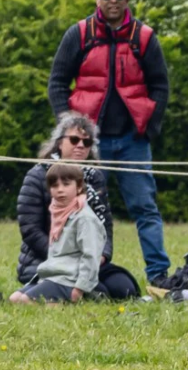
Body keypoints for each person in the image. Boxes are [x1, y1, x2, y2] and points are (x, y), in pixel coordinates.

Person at [47, 0, 171, 283]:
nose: (113, 0)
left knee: (145, 208)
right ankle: (72, 273)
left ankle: (158, 276)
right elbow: (57, 83)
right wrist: (68, 128)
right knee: (78, 207)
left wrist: (149, 127)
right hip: (88, 145)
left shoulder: (144, 37)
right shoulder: (78, 34)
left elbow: (161, 85)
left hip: (133, 141)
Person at [15, 113, 137, 299]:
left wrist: (101, 255)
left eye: (86, 142)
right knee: (100, 292)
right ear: (59, 143)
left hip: (88, 259)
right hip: (47, 261)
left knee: (124, 289)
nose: (80, 145)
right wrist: (66, 256)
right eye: (74, 140)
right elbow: (30, 230)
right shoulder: (37, 176)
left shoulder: (95, 177)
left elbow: (105, 224)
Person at [10, 164, 105, 304]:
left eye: (66, 184)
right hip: (53, 275)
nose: (60, 190)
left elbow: (91, 256)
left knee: (25, 301)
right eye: (54, 186)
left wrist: (80, 288)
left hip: (69, 279)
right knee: (14, 299)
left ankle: (65, 305)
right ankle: (53, 303)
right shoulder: (58, 213)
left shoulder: (85, 218)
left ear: (79, 187)